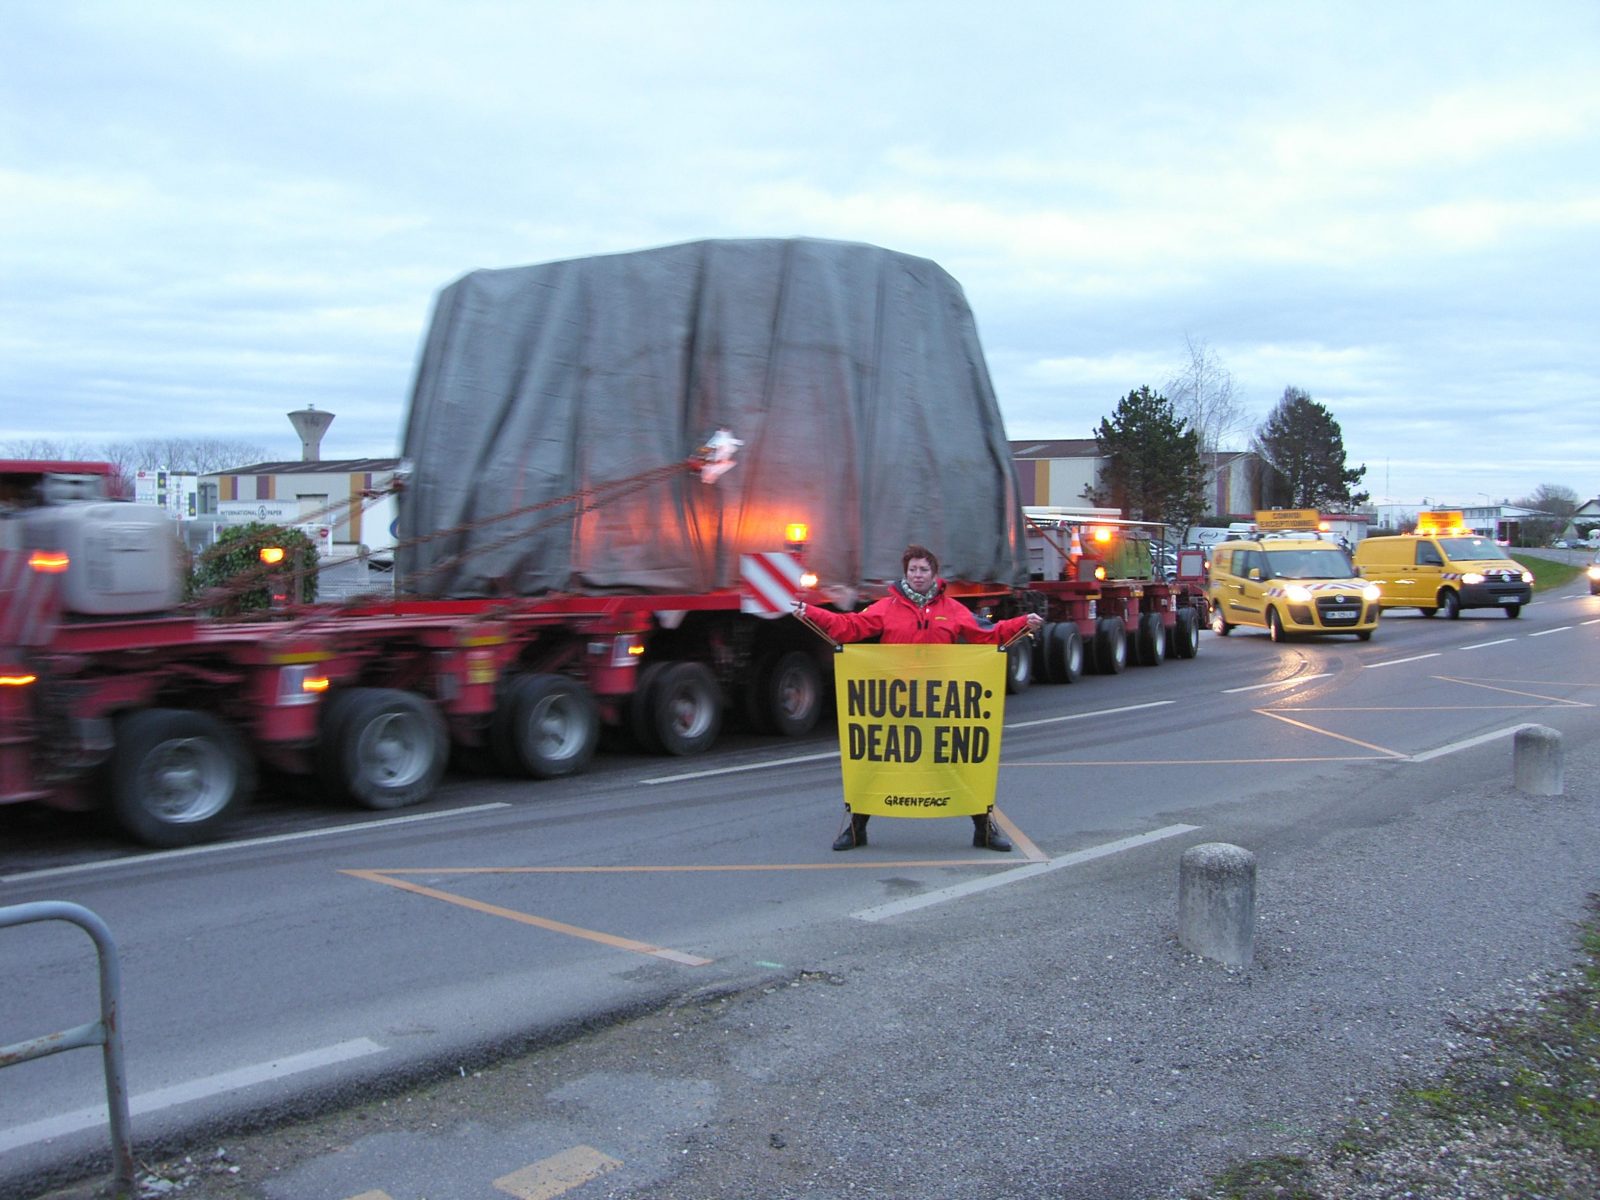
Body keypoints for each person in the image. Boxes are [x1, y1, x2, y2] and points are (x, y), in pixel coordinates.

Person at [795, 544, 1044, 852]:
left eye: (923, 569)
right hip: (896, 704)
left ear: (934, 574)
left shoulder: (953, 610)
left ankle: (984, 829)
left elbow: (988, 634)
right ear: (905, 573)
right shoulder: (886, 607)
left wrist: (1022, 623)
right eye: (912, 569)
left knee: (961, 765)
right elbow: (850, 627)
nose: (917, 575)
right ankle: (856, 829)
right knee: (875, 764)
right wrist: (811, 612)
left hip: (940, 703)